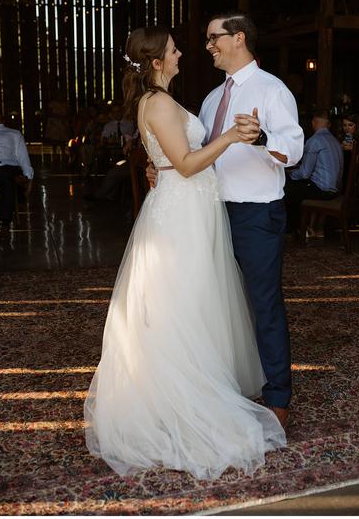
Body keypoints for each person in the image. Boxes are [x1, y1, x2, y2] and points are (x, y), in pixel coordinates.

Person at [84, 26, 286, 480]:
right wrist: (233, 138)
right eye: (173, 49)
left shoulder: (161, 101)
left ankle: (199, 380)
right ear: (157, 62)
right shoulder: (156, 102)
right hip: (181, 214)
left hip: (190, 209)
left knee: (190, 301)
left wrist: (167, 165)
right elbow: (188, 164)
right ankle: (180, 398)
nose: (181, 53)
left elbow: (172, 159)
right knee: (182, 302)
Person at [198, 11, 304, 426]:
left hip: (256, 214)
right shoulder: (211, 99)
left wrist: (261, 138)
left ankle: (278, 398)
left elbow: (293, 150)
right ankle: (226, 387)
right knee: (217, 303)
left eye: (213, 38)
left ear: (238, 37)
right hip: (210, 213)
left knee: (264, 305)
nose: (208, 46)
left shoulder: (271, 90)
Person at [284, 109, 343, 233]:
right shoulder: (336, 142)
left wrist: (290, 173)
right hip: (336, 190)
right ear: (328, 124)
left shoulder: (314, 141)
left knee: (286, 188)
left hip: (322, 190)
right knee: (296, 187)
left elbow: (305, 173)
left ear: (313, 122)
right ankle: (304, 228)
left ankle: (293, 229)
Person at [0, 107, 34, 232]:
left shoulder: (13, 133)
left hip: (7, 166)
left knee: (8, 180)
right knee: (6, 176)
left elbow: (22, 156)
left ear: (0, 116)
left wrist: (28, 176)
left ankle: (5, 222)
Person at [339, 112, 359, 185]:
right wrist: (339, 149)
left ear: (357, 126)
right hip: (343, 176)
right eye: (344, 125)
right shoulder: (342, 139)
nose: (347, 128)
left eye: (350, 125)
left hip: (357, 178)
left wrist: (354, 150)